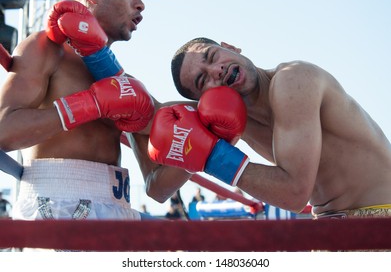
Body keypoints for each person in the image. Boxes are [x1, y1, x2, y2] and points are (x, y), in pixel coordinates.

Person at [144, 37, 391, 219]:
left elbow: (294, 194)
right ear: (204, 101)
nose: (216, 70)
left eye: (212, 56)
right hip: (329, 228)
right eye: (203, 80)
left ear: (230, 47)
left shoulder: (294, 79)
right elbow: (157, 188)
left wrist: (213, 156)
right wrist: (128, 107)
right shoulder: (228, 121)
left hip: (381, 219)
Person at [0, 0, 156, 222]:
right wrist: (88, 105)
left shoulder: (125, 83)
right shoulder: (46, 49)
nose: (140, 4)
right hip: (56, 206)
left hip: (118, 209)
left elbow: (159, 187)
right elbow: (4, 130)